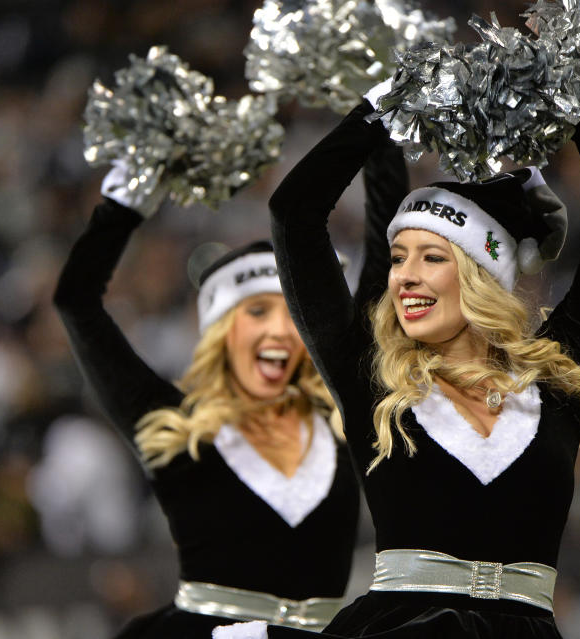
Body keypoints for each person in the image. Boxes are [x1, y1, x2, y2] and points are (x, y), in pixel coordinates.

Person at [260, 94, 580, 638]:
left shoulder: (554, 378)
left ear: (481, 275)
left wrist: (574, 88)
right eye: (398, 258)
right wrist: (386, 104)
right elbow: (294, 213)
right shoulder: (374, 379)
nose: (404, 277)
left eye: (432, 257)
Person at [52, 135, 408, 637]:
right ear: (221, 333)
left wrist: (381, 134)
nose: (278, 331)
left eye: (292, 316)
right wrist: (123, 204)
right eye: (256, 311)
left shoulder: (344, 419)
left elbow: (381, 276)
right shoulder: (177, 427)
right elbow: (77, 303)